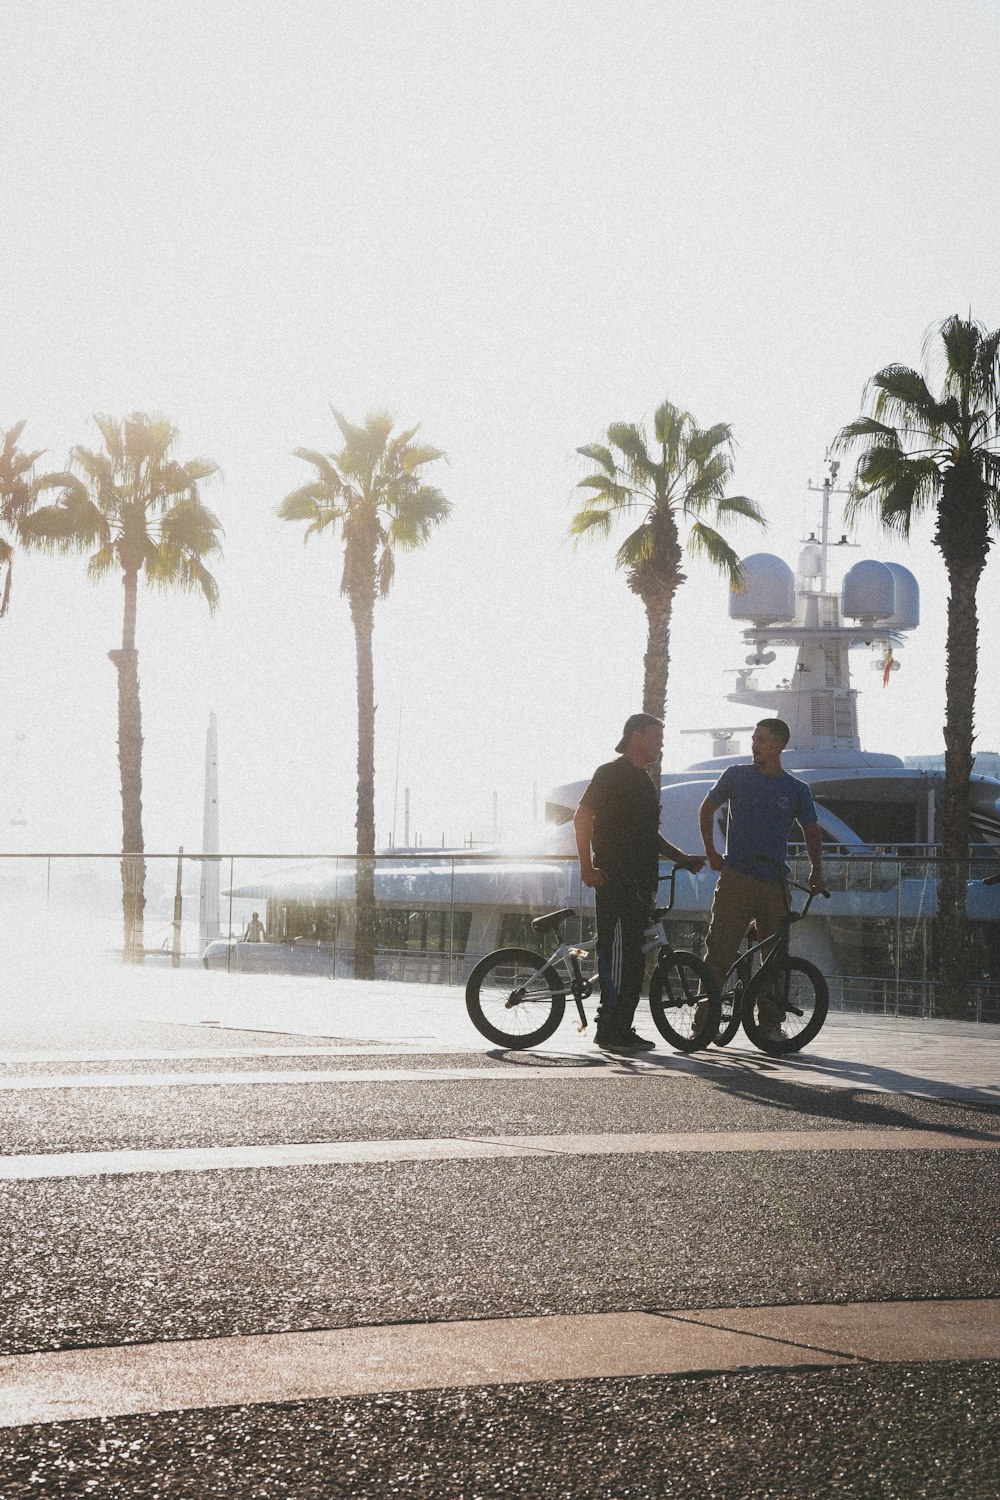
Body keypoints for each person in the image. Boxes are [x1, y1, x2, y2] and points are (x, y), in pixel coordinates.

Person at [574, 713, 705, 1053]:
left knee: (632, 960)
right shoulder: (610, 773)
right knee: (617, 955)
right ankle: (609, 1029)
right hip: (615, 880)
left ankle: (623, 1027)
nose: (661, 744)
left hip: (641, 883)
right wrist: (587, 867)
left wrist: (681, 859)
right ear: (636, 737)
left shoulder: (644, 781)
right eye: (657, 737)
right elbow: (582, 816)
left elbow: (650, 835)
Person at [698, 717, 829, 1039]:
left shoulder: (797, 789)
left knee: (776, 958)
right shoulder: (736, 776)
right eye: (754, 738)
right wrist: (712, 853)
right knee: (720, 950)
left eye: (761, 739)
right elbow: (707, 808)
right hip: (737, 877)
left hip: (775, 882)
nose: (754, 744)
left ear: (779, 745)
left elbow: (812, 832)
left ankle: (770, 1024)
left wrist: (816, 871)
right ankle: (705, 1021)